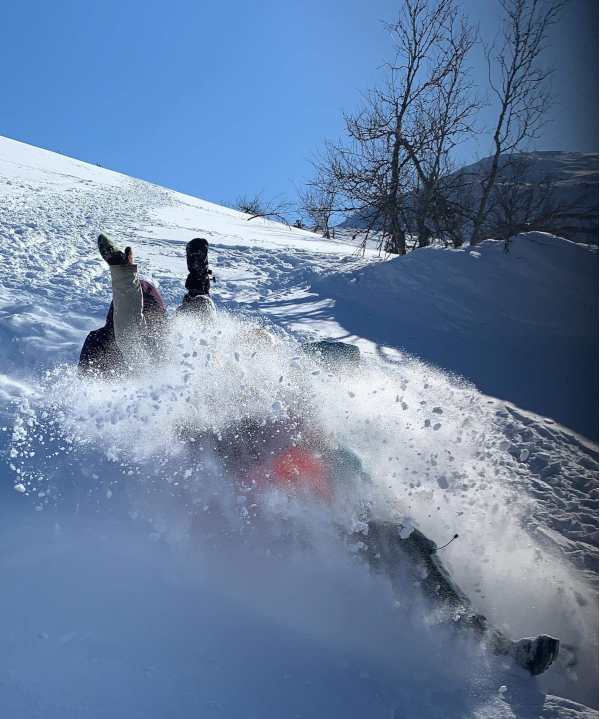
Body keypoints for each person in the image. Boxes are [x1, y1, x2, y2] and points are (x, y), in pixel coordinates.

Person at [78, 233, 560, 676]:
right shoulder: (155, 371)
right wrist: (125, 279)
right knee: (358, 525)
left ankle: (484, 635)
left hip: (289, 450)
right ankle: (420, 595)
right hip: (255, 469)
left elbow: (201, 313)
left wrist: (200, 277)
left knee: (389, 529)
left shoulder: (197, 340)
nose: (161, 322)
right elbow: (135, 335)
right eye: (153, 312)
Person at [78, 234, 216, 377]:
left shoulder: (168, 340)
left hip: (181, 380)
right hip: (128, 386)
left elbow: (191, 325)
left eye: (151, 317)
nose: (147, 322)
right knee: (131, 340)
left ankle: (125, 279)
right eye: (144, 317)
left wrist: (198, 288)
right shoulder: (101, 340)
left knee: (197, 315)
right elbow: (86, 380)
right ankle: (125, 279)